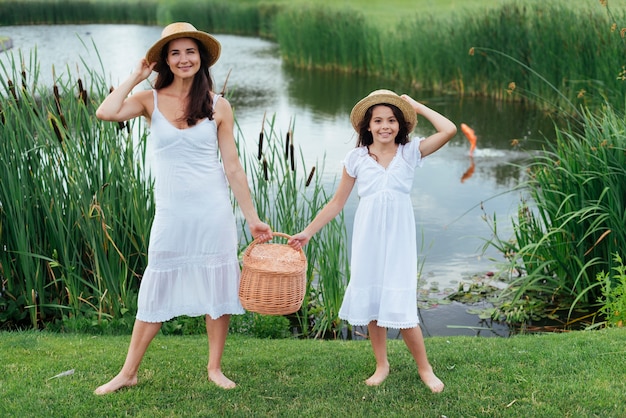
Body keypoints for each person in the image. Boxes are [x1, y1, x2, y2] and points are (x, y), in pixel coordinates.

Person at [93, 22, 272, 394]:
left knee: (218, 290)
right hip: (172, 214)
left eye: (190, 51)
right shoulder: (149, 100)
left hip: (213, 212)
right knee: (155, 288)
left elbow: (233, 167)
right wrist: (137, 76)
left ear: (201, 58)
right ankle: (128, 372)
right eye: (174, 53)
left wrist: (252, 218)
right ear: (165, 61)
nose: (183, 58)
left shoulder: (218, 106)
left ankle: (215, 367)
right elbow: (105, 113)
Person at [288, 89, 456, 392]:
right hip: (368, 239)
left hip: (399, 239)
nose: (385, 126)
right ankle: (382, 365)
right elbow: (336, 203)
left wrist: (415, 106)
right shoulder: (356, 158)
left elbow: (449, 129)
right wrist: (308, 232)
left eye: (392, 120)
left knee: (402, 306)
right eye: (378, 120)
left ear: (401, 124)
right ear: (367, 126)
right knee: (373, 303)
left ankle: (425, 368)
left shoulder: (410, 152)